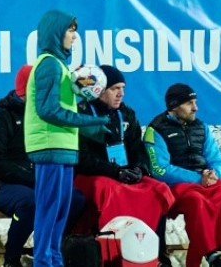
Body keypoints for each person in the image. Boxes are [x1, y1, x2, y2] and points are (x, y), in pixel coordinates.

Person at [25, 11, 111, 267]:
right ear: (55, 32)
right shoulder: (49, 64)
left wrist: (85, 100)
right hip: (49, 146)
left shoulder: (61, 67)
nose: (75, 36)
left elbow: (64, 106)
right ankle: (43, 261)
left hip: (63, 147)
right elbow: (48, 110)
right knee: (49, 211)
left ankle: (54, 260)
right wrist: (90, 121)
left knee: (61, 210)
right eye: (70, 30)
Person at [0, 66, 87, 267]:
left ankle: (48, 248)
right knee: (30, 202)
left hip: (36, 180)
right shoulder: (0, 118)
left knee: (74, 199)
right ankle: (12, 259)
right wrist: (34, 177)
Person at [145, 83, 221, 267]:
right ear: (174, 106)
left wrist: (214, 174)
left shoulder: (201, 127)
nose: (196, 108)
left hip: (204, 181)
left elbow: (217, 159)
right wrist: (198, 178)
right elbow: (160, 169)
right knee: (196, 200)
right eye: (190, 103)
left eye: (195, 102)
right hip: (176, 188)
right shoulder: (156, 130)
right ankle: (212, 255)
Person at [75, 66, 175, 242]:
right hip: (94, 175)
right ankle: (113, 249)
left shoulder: (127, 114)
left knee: (158, 189)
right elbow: (83, 158)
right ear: (99, 89)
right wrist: (115, 172)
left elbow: (138, 148)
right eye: (115, 88)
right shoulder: (83, 114)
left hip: (124, 173)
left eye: (123, 88)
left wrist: (139, 168)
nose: (121, 93)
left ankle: (156, 250)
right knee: (109, 190)